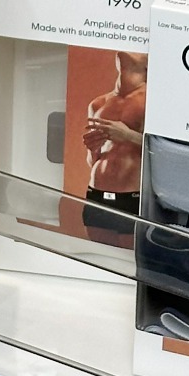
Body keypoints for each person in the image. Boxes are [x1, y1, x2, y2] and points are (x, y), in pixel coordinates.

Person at [80, 51, 147, 247]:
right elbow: (93, 161)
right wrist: (92, 149)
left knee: (126, 261)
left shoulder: (154, 101)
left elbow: (165, 155)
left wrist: (128, 135)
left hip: (131, 198)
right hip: (96, 195)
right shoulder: (98, 103)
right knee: (99, 257)